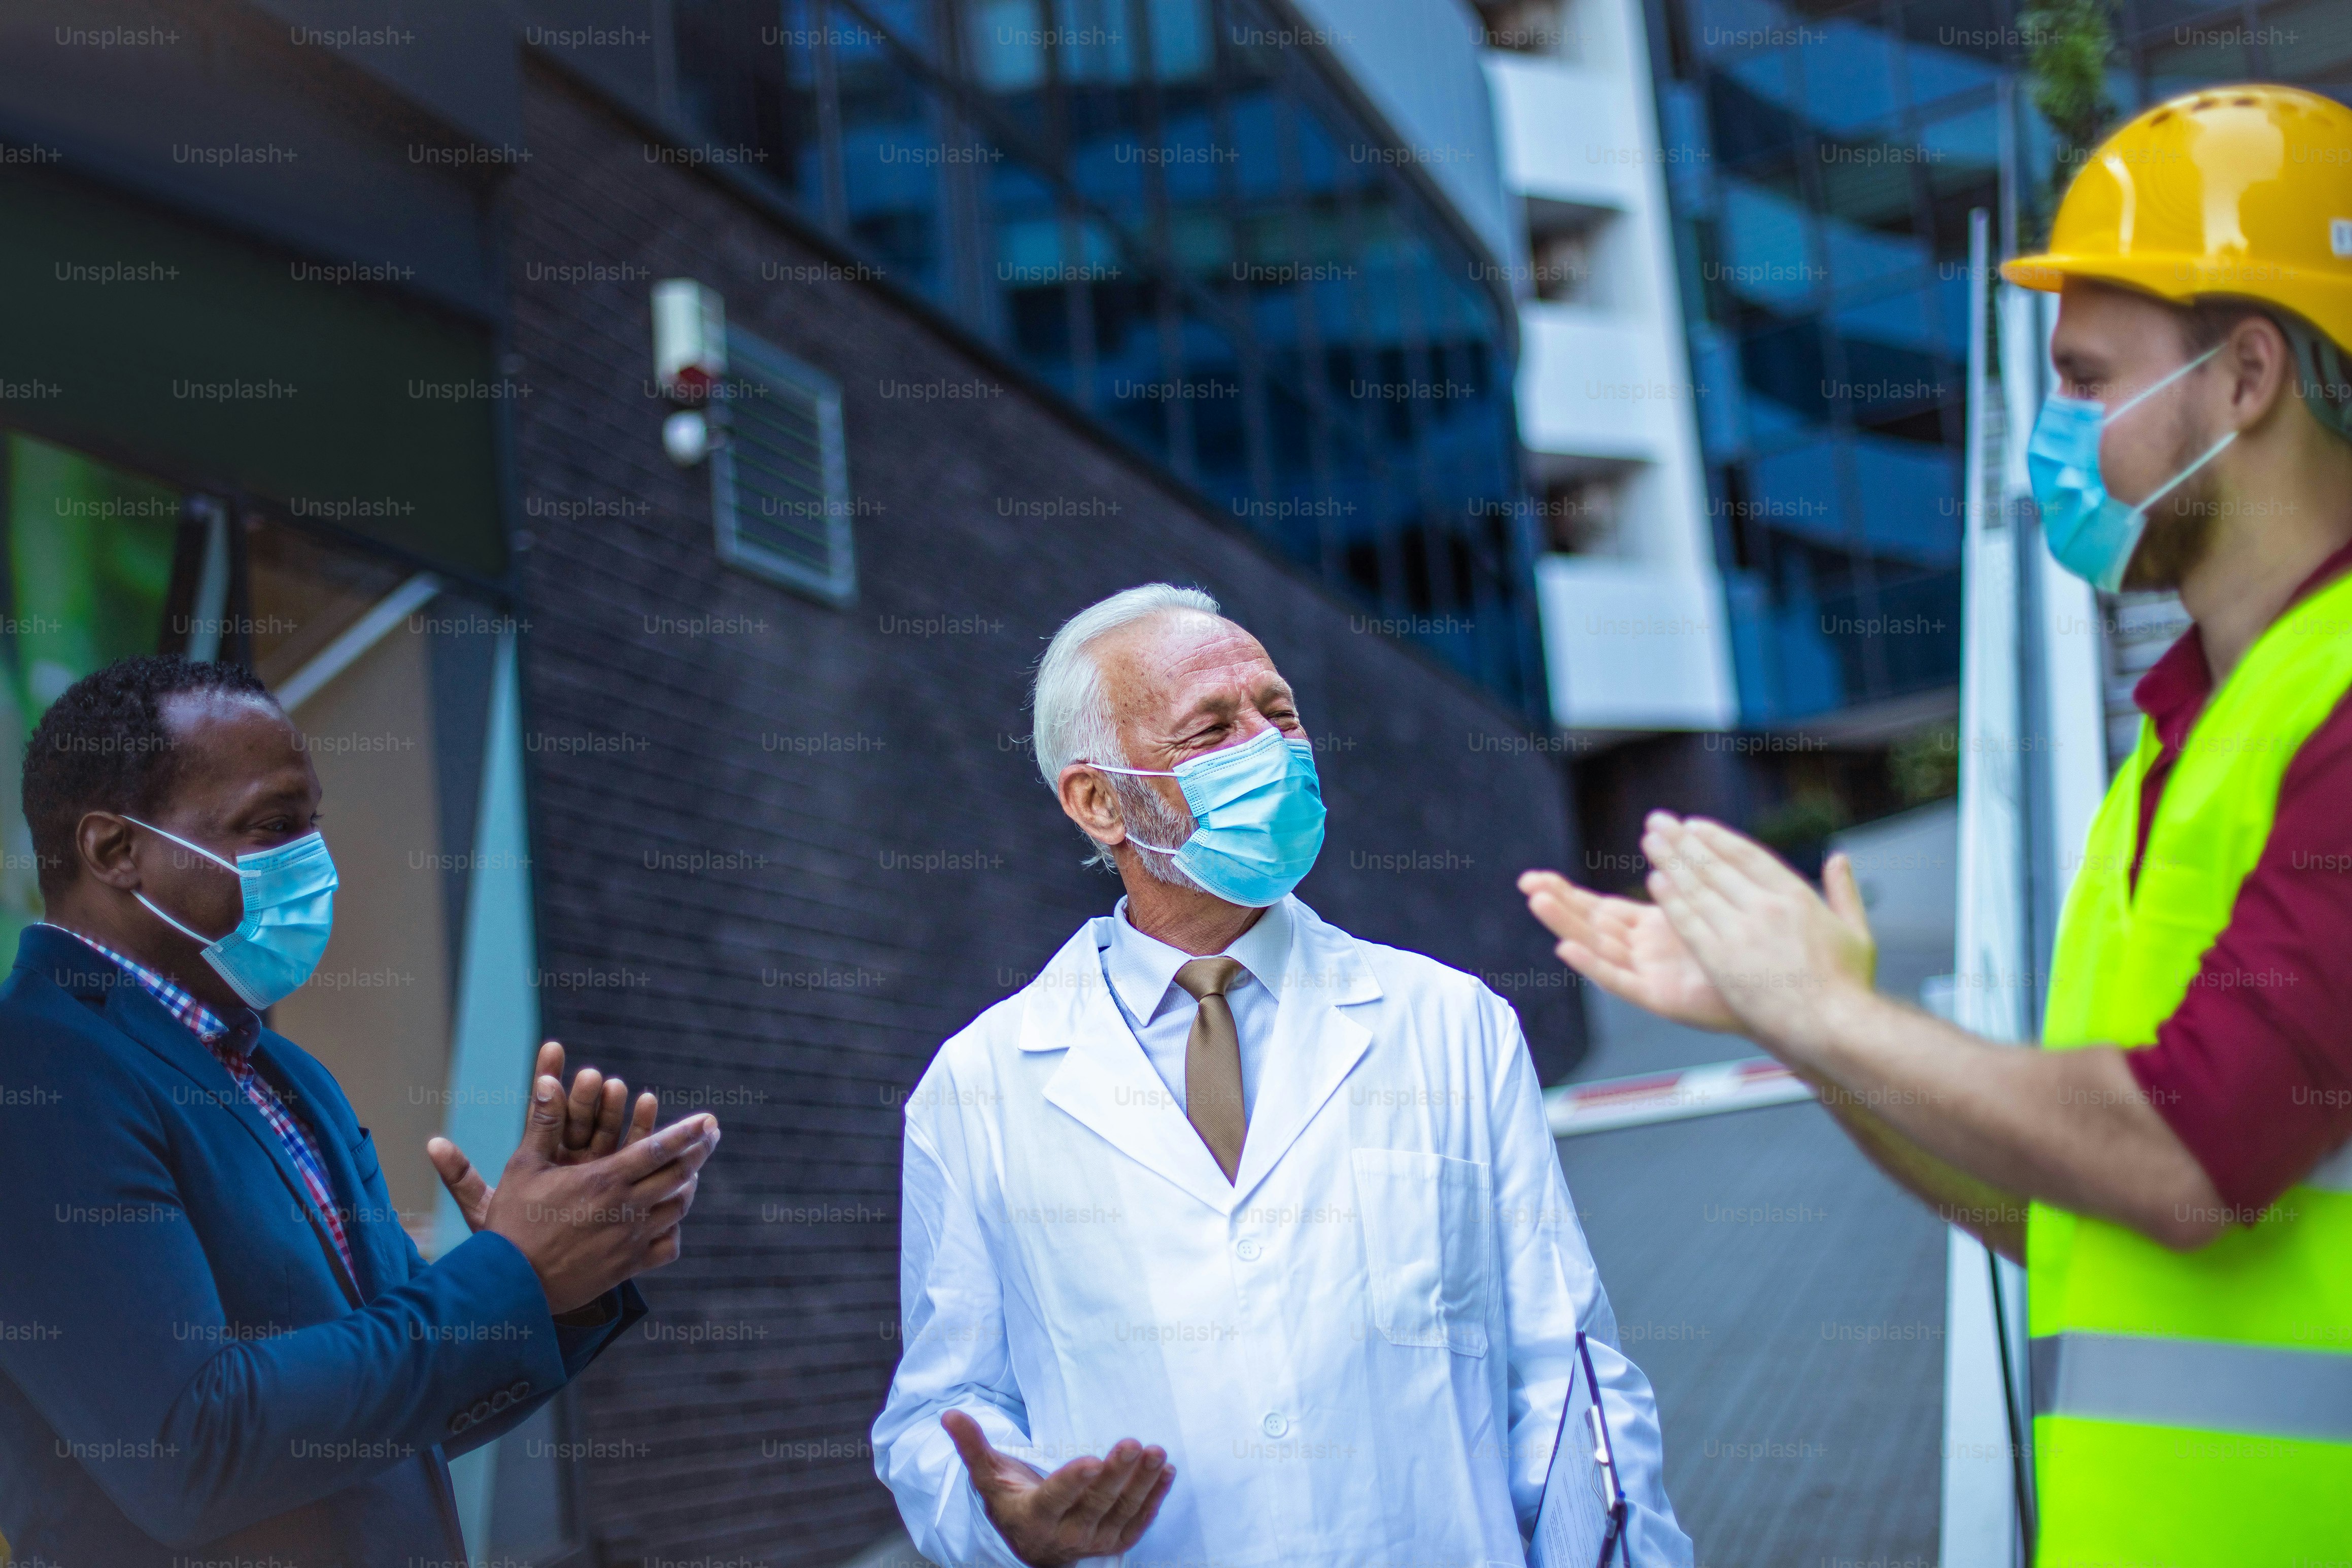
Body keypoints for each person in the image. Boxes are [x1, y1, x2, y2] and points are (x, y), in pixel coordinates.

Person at [1520, 85, 2352, 1568]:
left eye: (2089, 380)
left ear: (2243, 378)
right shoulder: (2189, 738)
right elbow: (2064, 1209)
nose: (2059, 433)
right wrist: (1810, 1028)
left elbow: (2181, 1151)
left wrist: (1822, 1013)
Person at [872, 585, 1692, 1567]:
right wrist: (999, 1521)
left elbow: (1568, 1382)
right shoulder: (974, 1094)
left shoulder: (1450, 1025)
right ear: (1098, 803)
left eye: (1279, 712)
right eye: (1211, 729)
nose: (1270, 748)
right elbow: (940, 1412)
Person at [0, 656, 722, 1565]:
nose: (318, 865)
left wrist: (558, 1277)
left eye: (313, 827)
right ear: (114, 849)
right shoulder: (36, 1068)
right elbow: (189, 1447)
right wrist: (508, 1275)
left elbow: (393, 1422)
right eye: (273, 828)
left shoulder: (285, 1073)